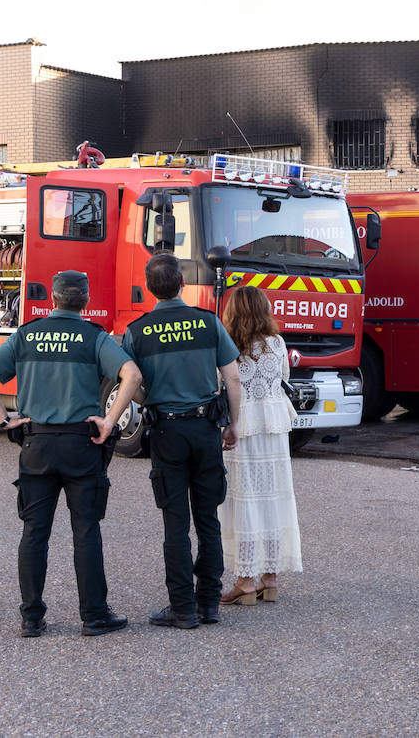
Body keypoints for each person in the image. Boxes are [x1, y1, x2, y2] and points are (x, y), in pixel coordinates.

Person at [0, 271, 142, 638]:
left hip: (36, 444)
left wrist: (4, 421)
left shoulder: (27, 334)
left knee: (35, 532)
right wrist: (110, 420)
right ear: (85, 299)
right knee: (86, 530)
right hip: (82, 445)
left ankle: (31, 618)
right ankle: (94, 615)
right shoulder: (93, 337)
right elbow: (131, 374)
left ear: (52, 298)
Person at [122, 252, 241, 629]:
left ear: (148, 286)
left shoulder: (139, 330)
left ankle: (182, 608)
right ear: (182, 284)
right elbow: (233, 378)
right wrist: (233, 425)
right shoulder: (207, 323)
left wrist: (149, 398)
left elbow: (132, 382)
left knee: (175, 522)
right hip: (206, 429)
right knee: (208, 519)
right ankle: (209, 603)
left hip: (167, 431)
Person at [217, 285, 303, 606]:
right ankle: (270, 577)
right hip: (274, 429)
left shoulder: (228, 345)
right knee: (273, 498)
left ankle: (245, 581)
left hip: (243, 426)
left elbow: (222, 384)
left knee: (245, 501)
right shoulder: (277, 343)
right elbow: (284, 377)